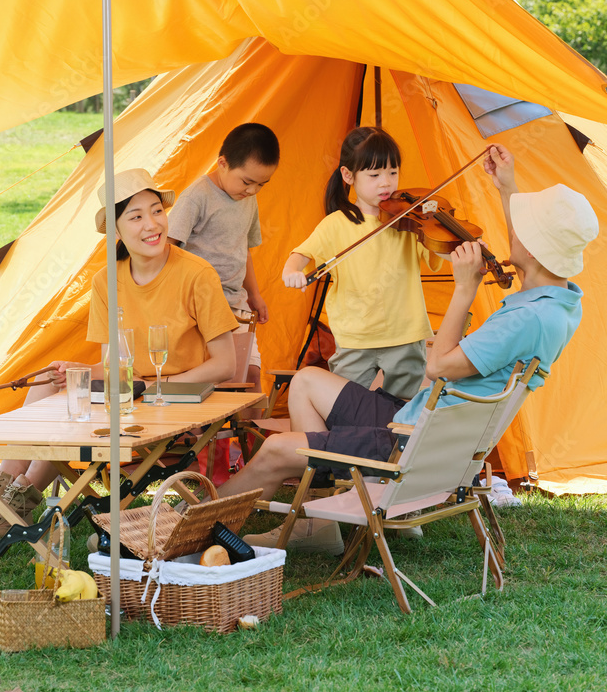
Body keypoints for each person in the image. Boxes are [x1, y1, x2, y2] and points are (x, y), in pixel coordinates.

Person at [221, 144, 597, 551]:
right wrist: (507, 187)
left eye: (523, 232)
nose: (512, 238)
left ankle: (196, 525)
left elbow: (437, 366)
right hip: (419, 424)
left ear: (534, 249)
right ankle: (319, 518)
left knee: (278, 448)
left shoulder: (523, 319)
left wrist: (465, 290)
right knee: (308, 381)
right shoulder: (555, 303)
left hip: (411, 444)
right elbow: (529, 254)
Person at [0, 168, 239, 543]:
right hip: (129, 391)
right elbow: (113, 363)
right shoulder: (107, 280)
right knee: (47, 379)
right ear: (118, 231)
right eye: (137, 216)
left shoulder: (197, 274)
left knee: (70, 409)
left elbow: (225, 364)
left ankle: (11, 507)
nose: (152, 224)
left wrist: (158, 384)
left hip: (175, 400)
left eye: (156, 211)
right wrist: (77, 371)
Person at [282, 127, 444, 400]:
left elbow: (440, 251)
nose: (386, 183)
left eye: (393, 173)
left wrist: (460, 243)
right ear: (348, 176)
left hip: (405, 335)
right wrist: (292, 270)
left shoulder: (409, 221)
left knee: (398, 412)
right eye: (374, 175)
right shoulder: (336, 224)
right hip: (354, 338)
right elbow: (301, 255)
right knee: (343, 408)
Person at [167, 123, 280, 392]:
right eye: (247, 181)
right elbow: (168, 248)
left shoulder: (247, 200)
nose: (252, 190)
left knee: (250, 376)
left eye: (261, 184)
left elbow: (245, 250)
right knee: (206, 383)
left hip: (235, 305)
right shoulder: (197, 197)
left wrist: (254, 295)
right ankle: (195, 435)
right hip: (198, 309)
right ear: (223, 163)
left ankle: (247, 435)